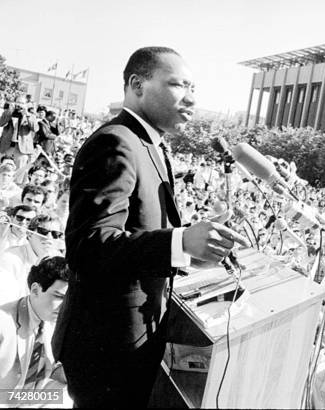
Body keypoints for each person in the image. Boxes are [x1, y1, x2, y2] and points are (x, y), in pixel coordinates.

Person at [52, 47, 248, 407]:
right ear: (137, 84)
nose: (191, 98)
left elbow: (139, 234)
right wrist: (180, 242)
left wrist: (191, 252)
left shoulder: (150, 145)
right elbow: (90, 246)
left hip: (133, 340)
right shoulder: (116, 142)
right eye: (178, 84)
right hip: (106, 347)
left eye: (194, 87)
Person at [0, 256, 69, 391]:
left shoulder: (51, 321)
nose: (64, 306)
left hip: (28, 399)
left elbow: (51, 368)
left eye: (68, 299)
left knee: (70, 392)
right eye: (59, 297)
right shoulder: (3, 322)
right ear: (35, 290)